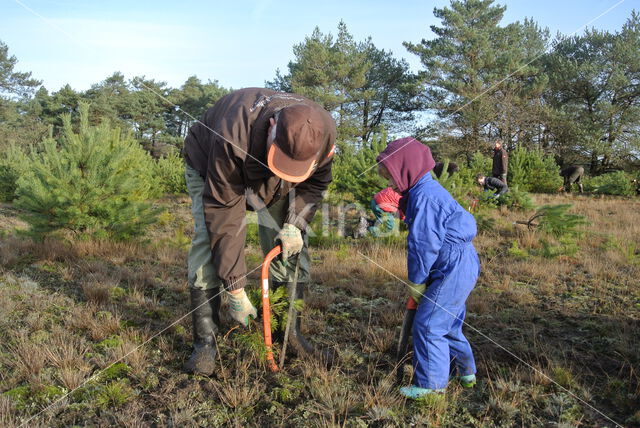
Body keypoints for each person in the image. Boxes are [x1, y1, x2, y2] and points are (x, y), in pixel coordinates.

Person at [182, 88, 336, 375]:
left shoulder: (324, 131)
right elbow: (224, 215)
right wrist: (236, 288)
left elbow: (314, 185)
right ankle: (205, 345)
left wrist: (295, 223)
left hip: (272, 180)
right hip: (212, 166)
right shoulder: (234, 130)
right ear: (273, 126)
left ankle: (287, 333)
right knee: (208, 239)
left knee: (291, 246)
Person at [376, 137, 480, 399]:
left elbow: (423, 244)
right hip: (459, 263)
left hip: (451, 266)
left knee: (429, 324)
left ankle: (431, 387)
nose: (389, 183)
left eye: (391, 176)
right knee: (449, 322)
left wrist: (417, 280)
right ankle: (464, 371)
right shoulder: (424, 191)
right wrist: (398, 204)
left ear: (405, 169)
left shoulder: (425, 197)